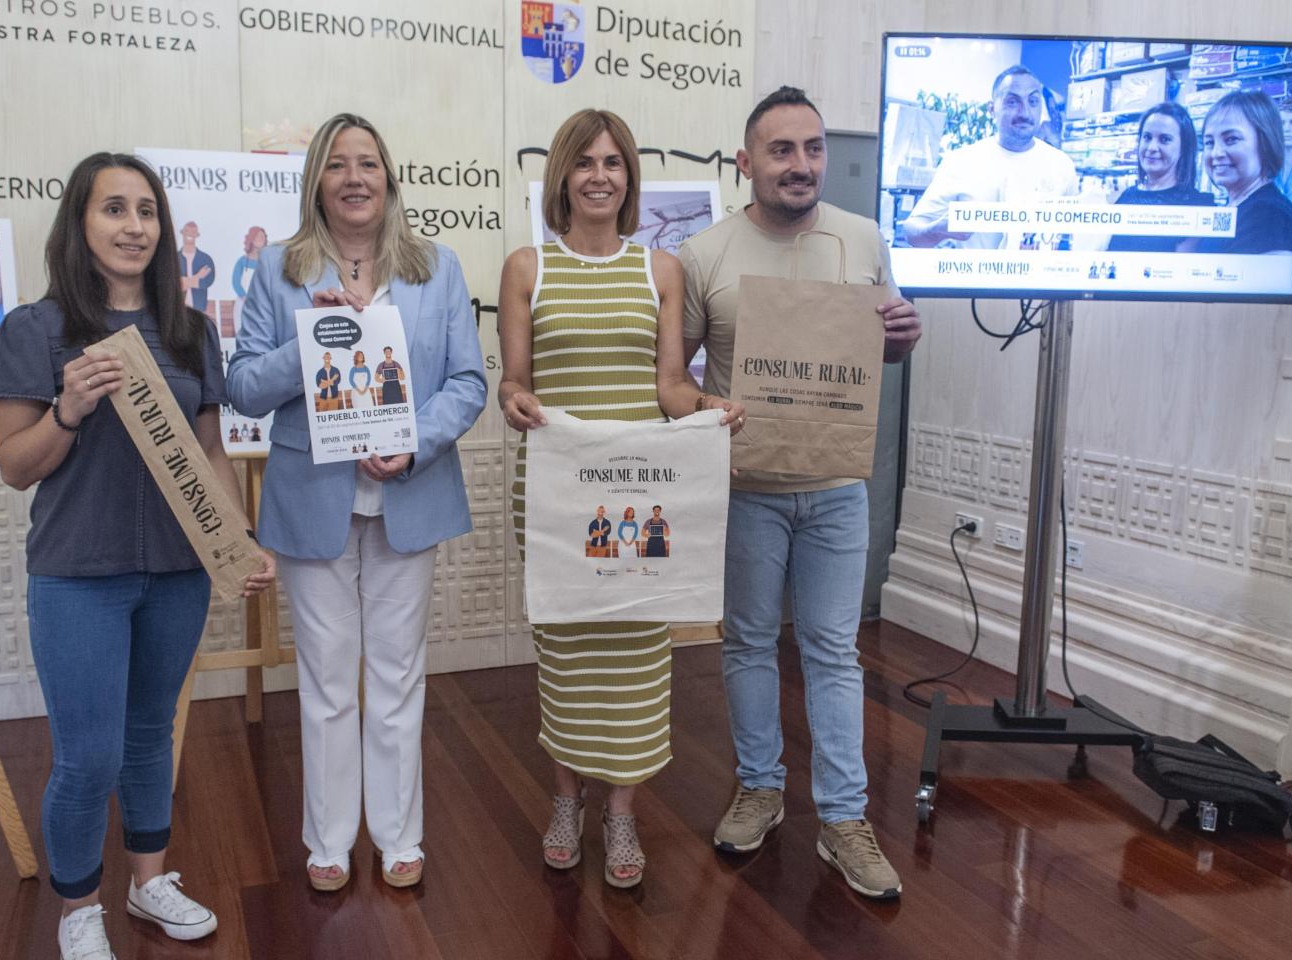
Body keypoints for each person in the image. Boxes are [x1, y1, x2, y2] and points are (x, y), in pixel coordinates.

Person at [0, 152, 276, 960]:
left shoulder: (188, 332)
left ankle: (149, 884)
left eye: (146, 211)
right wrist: (69, 410)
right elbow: (14, 466)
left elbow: (212, 452)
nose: (133, 227)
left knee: (150, 736)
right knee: (87, 756)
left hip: (178, 574)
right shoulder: (36, 330)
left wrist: (237, 538)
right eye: (114, 209)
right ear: (80, 222)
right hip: (79, 575)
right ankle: (79, 910)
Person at [228, 112, 485, 894]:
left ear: (389, 177)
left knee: (400, 676)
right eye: (336, 164)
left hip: (408, 493)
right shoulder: (279, 271)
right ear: (317, 181)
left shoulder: (436, 269)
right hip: (314, 502)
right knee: (329, 680)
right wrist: (311, 339)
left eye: (367, 162)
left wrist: (416, 442)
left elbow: (470, 383)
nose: (353, 177)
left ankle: (400, 834)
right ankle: (331, 840)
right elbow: (241, 386)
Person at [680, 86, 922, 900]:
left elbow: (877, 357)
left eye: (813, 148)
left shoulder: (864, 239)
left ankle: (845, 819)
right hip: (745, 487)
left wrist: (903, 337)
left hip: (836, 493)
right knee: (748, 642)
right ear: (745, 162)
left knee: (831, 650)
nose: (801, 165)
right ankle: (759, 789)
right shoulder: (705, 254)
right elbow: (671, 379)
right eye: (781, 150)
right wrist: (708, 406)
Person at [498, 107, 744, 890]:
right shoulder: (525, 268)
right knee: (566, 655)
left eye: (614, 163)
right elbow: (514, 382)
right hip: (556, 497)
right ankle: (568, 801)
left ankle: (625, 813)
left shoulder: (660, 271)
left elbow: (672, 388)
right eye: (585, 162)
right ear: (562, 175)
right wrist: (512, 400)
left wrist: (710, 409)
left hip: (642, 499)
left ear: (629, 178)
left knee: (641, 657)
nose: (600, 175)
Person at [903, 65, 1079, 248]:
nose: (1025, 112)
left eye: (1033, 102)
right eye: (1012, 102)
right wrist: (938, 229)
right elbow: (911, 231)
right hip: (972, 276)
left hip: (1039, 276)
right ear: (992, 109)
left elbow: (1073, 236)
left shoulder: (1061, 165)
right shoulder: (961, 162)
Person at [1198, 90, 1292, 256]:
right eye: (1209, 142)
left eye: (1231, 139)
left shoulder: (1270, 215)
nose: (1216, 153)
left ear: (1265, 142)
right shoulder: (1235, 207)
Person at [1106, 102, 1215, 253]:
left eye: (1164, 139)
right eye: (1147, 137)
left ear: (1183, 148)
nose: (1151, 147)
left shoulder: (1197, 206)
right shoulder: (1125, 197)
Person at [177, 221, 214, 312]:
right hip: (177, 309)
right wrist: (198, 277)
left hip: (199, 308)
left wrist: (184, 282)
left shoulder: (205, 259)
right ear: (182, 233)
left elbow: (208, 281)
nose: (190, 234)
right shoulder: (173, 259)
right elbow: (173, 283)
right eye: (187, 231)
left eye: (193, 232)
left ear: (197, 235)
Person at [231, 226, 268, 300]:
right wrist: (244, 297)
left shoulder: (267, 262)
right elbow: (235, 282)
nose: (261, 239)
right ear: (251, 239)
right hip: (244, 302)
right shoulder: (242, 261)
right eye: (258, 236)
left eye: (263, 237)